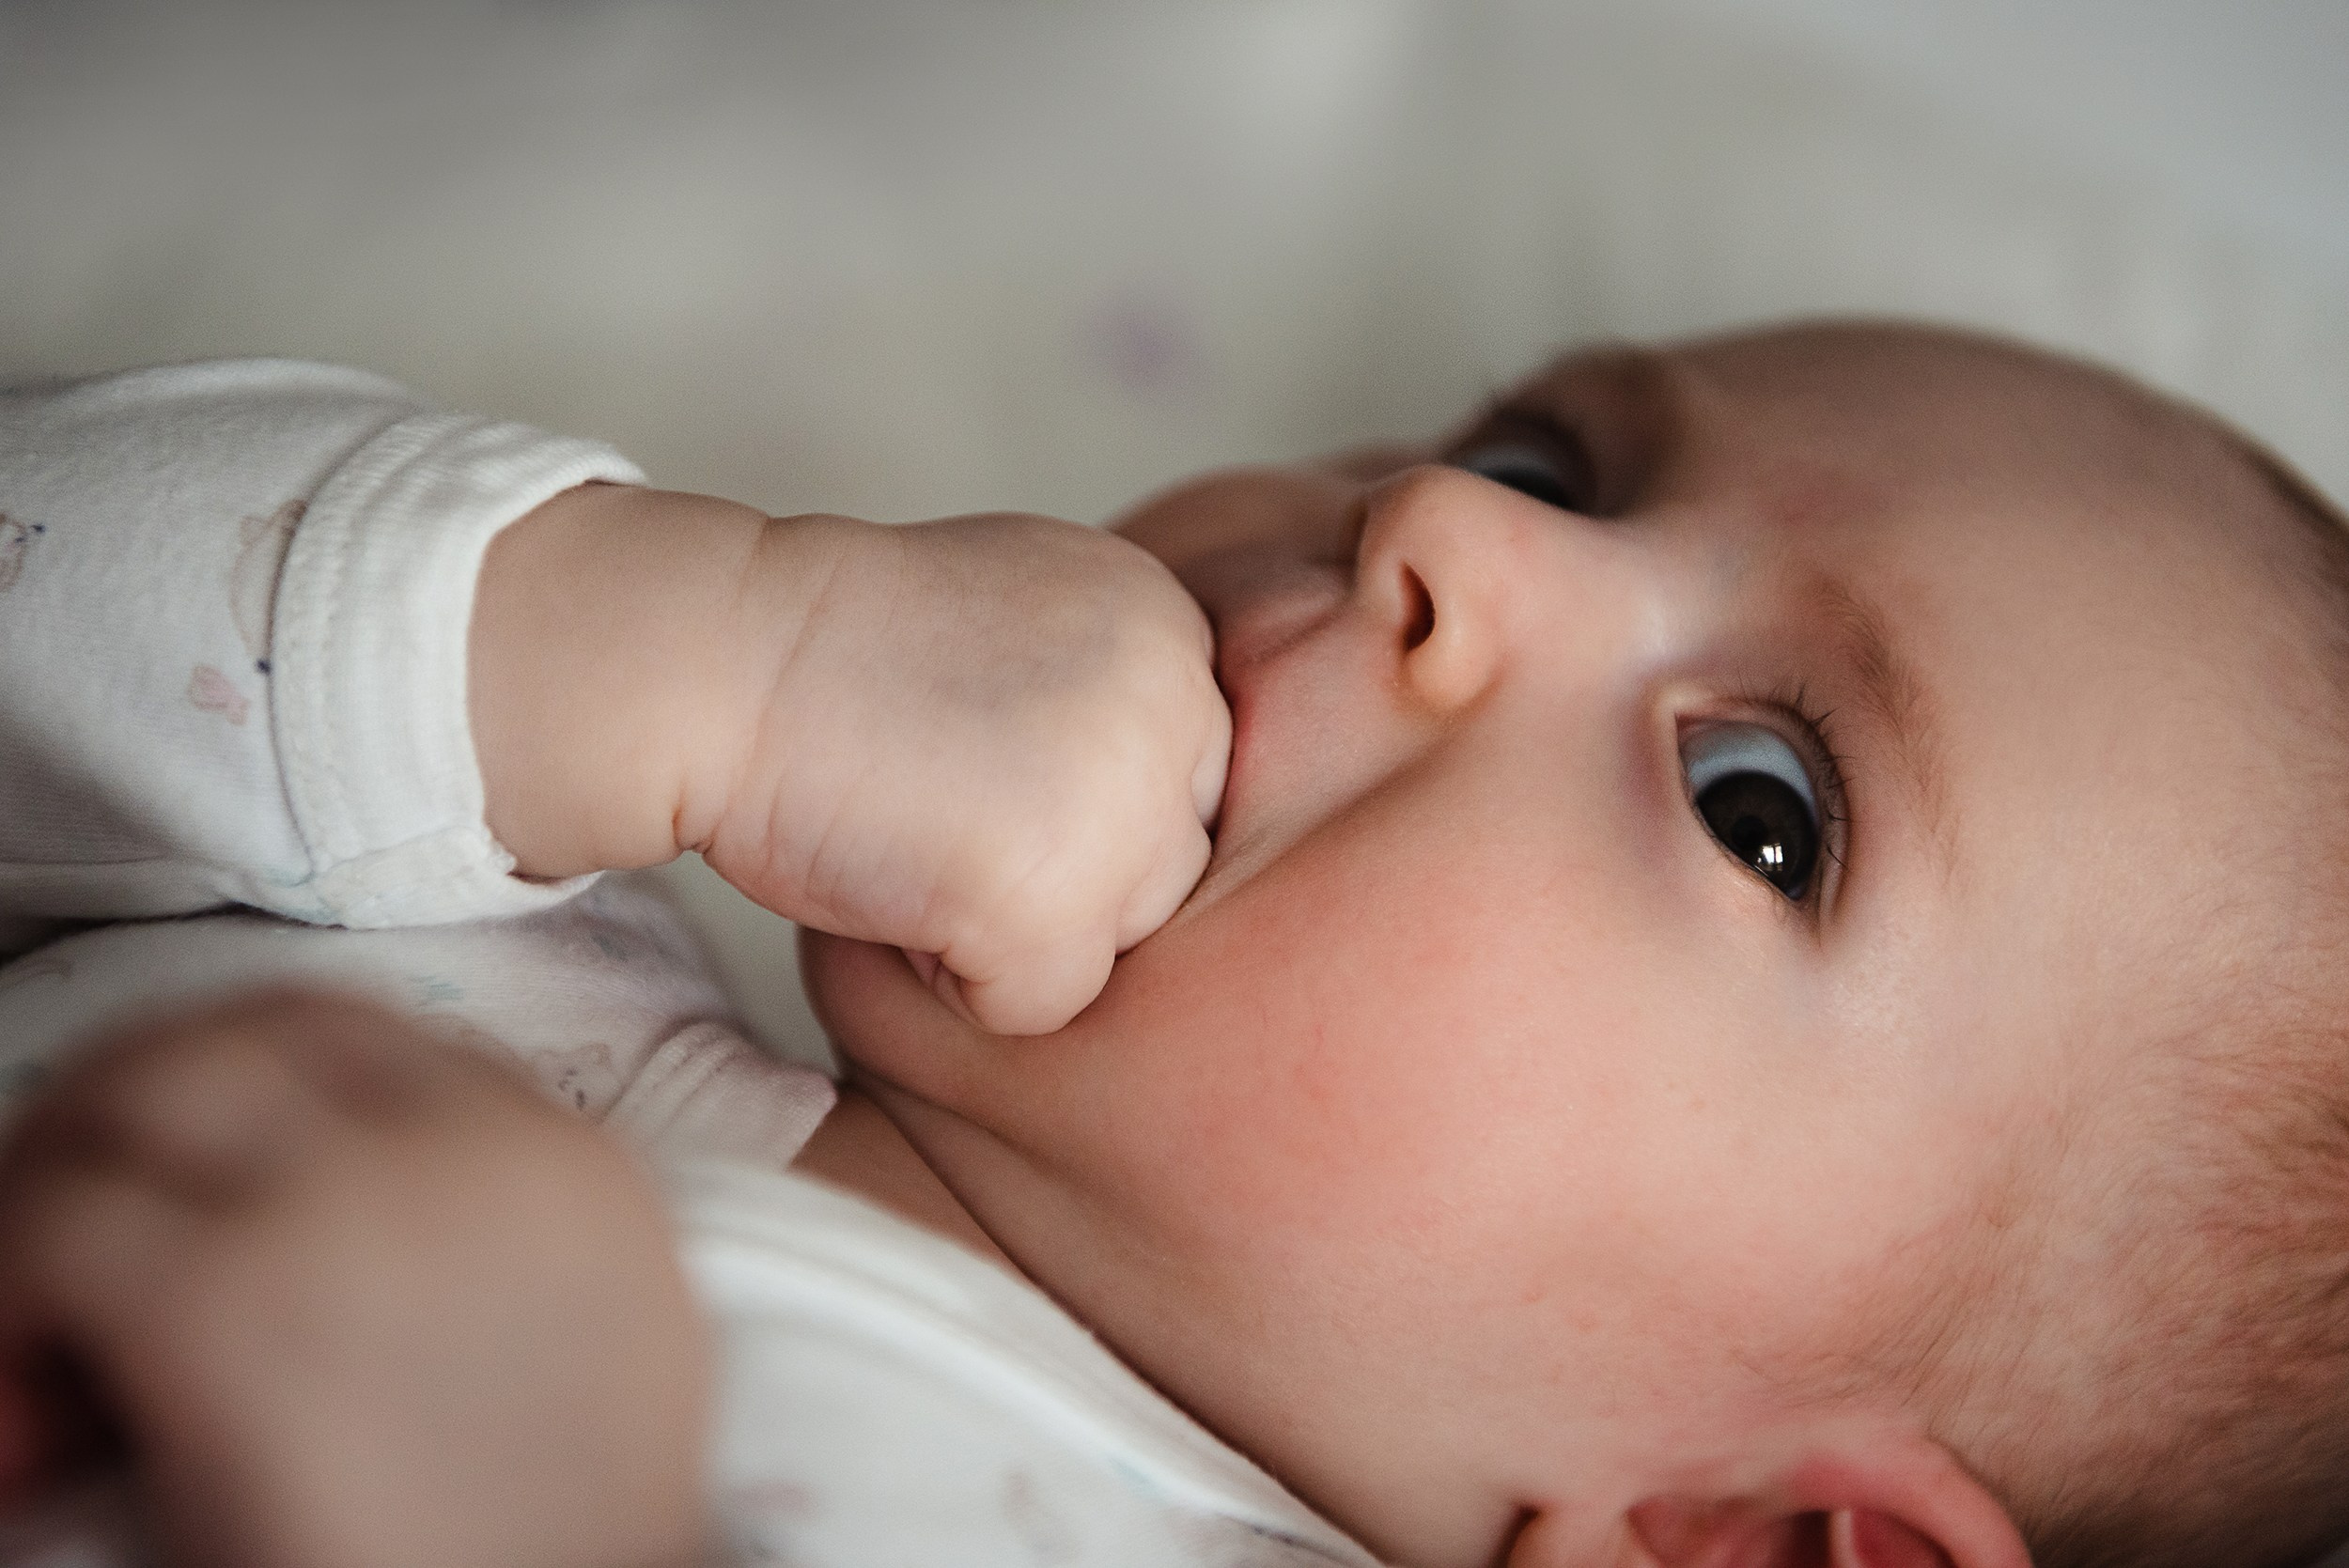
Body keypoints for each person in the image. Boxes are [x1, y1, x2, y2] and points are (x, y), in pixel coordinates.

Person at [0, 321, 2344, 1568]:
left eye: (1763, 804)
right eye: (1550, 459)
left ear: (1753, 1548)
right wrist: (688, 639)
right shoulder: (489, 847)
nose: (1445, 527)